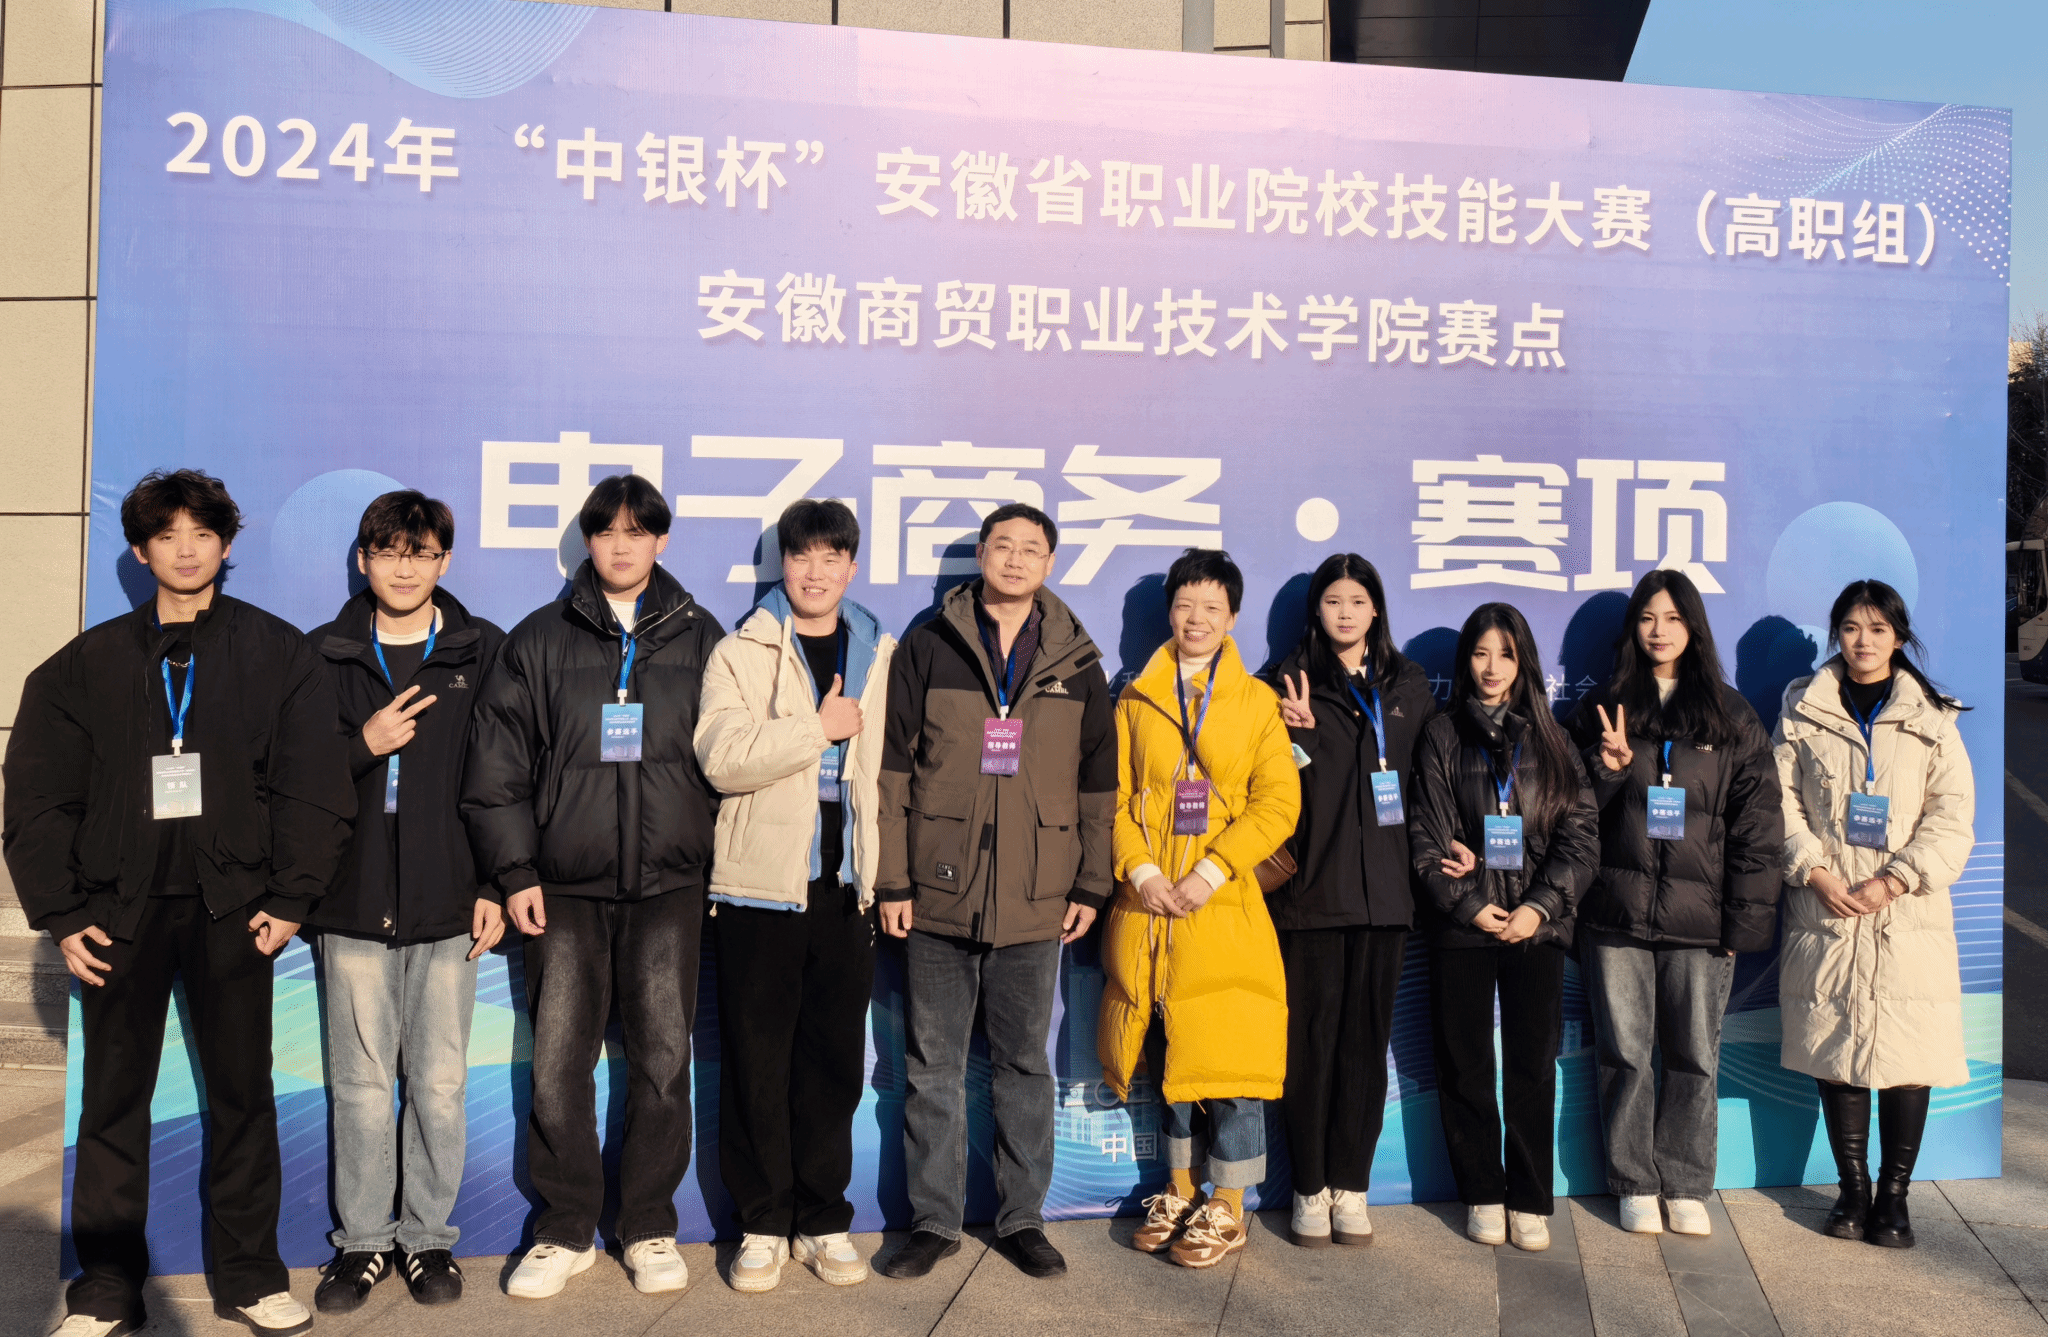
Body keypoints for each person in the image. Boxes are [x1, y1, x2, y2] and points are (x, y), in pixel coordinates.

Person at [4, 470, 353, 1337]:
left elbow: (314, 781)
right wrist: (61, 911)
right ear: (140, 549)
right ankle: (104, 1289)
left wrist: (291, 895)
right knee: (112, 1101)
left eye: (203, 533)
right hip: (116, 912)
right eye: (167, 535)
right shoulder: (86, 663)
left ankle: (250, 1276)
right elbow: (37, 793)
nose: (186, 549)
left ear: (227, 545)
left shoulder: (277, 652)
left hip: (236, 908)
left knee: (243, 1095)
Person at [462, 474, 723, 1298]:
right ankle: (565, 1227)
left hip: (669, 886)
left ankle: (647, 1224)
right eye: (606, 531)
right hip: (564, 888)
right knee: (557, 1063)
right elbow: (497, 768)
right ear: (587, 541)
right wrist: (515, 872)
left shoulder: (701, 635)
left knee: (662, 1060)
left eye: (638, 532)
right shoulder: (539, 638)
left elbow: (730, 757)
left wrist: (714, 865)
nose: (621, 545)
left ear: (661, 542)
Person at [873, 503, 1114, 1282]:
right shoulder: (930, 643)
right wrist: (892, 879)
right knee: (931, 1066)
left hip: (1038, 895)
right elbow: (893, 771)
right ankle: (934, 1221)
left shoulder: (1077, 659)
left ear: (1049, 564)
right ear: (981, 554)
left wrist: (1091, 880)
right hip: (937, 893)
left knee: (1022, 1065)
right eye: (1002, 545)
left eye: (1030, 548)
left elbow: (1099, 785)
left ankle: (1022, 1219)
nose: (1014, 558)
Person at [305, 492, 506, 1311]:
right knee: (358, 1084)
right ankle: (361, 1243)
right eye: (388, 551)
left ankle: (426, 1239)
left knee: (439, 1082)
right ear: (363, 559)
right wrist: (364, 745)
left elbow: (507, 776)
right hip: (350, 900)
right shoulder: (322, 653)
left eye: (420, 552)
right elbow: (289, 778)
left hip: (449, 900)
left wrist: (494, 882)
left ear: (443, 561)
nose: (403, 567)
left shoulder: (481, 650)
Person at [694, 500, 895, 1292]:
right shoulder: (740, 649)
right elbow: (721, 757)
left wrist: (885, 877)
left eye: (831, 557)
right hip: (759, 890)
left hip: (845, 890)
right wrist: (818, 727)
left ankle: (822, 1220)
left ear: (852, 566)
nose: (816, 571)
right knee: (756, 1062)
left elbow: (889, 773)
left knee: (833, 1065)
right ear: (783, 563)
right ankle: (761, 1223)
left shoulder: (880, 650)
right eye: (802, 555)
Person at [1564, 571, 1783, 1237]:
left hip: (1701, 921)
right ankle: (1634, 1180)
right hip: (1616, 914)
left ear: (1693, 627)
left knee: (1693, 1054)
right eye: (1647, 618)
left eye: (1672, 617)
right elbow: (1568, 812)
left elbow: (1758, 826)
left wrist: (1744, 920)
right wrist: (1605, 768)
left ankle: (1686, 1181)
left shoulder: (1731, 715)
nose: (1659, 631)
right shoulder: (1603, 707)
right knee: (1625, 1054)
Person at [1101, 548, 1300, 1268]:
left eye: (1212, 607)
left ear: (1232, 617)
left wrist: (1211, 871)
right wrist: (1144, 871)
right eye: (1186, 604)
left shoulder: (1254, 702)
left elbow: (1278, 802)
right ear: (1170, 612)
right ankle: (1179, 1188)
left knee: (1230, 1058)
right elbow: (1114, 799)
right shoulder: (1135, 699)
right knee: (1171, 1058)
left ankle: (1229, 1203)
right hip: (1151, 906)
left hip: (1224, 904)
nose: (1197, 618)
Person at [1775, 579, 1974, 1250]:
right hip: (1827, 907)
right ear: (1836, 632)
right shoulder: (1803, 710)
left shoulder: (1932, 718)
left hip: (1905, 913)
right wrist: (1814, 869)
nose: (1863, 641)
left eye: (1878, 629)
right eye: (1852, 627)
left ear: (1898, 636)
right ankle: (1852, 1189)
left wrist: (1897, 878)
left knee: (1907, 1052)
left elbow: (1952, 817)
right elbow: (1777, 801)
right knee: (1837, 1047)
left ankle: (1895, 1196)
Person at [1409, 602, 1598, 1252]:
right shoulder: (1441, 734)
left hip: (1534, 928)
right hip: (1464, 925)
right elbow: (1426, 836)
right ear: (1466, 660)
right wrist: (1468, 904)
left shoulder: (1552, 738)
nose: (1492, 667)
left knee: (1532, 1065)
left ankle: (1529, 1196)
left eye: (1506, 654)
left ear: (1524, 662)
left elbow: (1580, 837)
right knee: (1464, 1063)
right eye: (1481, 653)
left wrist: (1537, 907)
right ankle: (1483, 1192)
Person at [1266, 554, 1435, 1248]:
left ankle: (1351, 1185)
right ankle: (1308, 1187)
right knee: (1311, 1045)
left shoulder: (1408, 685)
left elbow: (1428, 783)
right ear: (1317, 609)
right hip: (1313, 892)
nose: (1345, 612)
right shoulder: (1284, 684)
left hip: (1387, 897)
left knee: (1365, 1046)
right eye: (1333, 600)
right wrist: (1295, 736)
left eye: (1357, 600)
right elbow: (1266, 792)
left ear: (1376, 609)